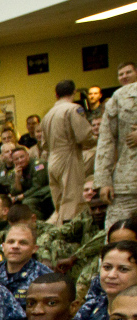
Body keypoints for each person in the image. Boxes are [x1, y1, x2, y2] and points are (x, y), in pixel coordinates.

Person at [41, 79, 94, 223]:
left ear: (56, 95)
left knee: (59, 203)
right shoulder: (73, 109)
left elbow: (44, 144)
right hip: (69, 155)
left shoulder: (47, 115)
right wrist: (98, 141)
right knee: (73, 200)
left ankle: (60, 231)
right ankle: (69, 234)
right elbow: (84, 135)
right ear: (74, 92)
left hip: (52, 160)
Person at [96, 76, 137, 228]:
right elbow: (106, 139)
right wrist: (103, 180)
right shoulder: (122, 96)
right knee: (116, 234)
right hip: (127, 182)